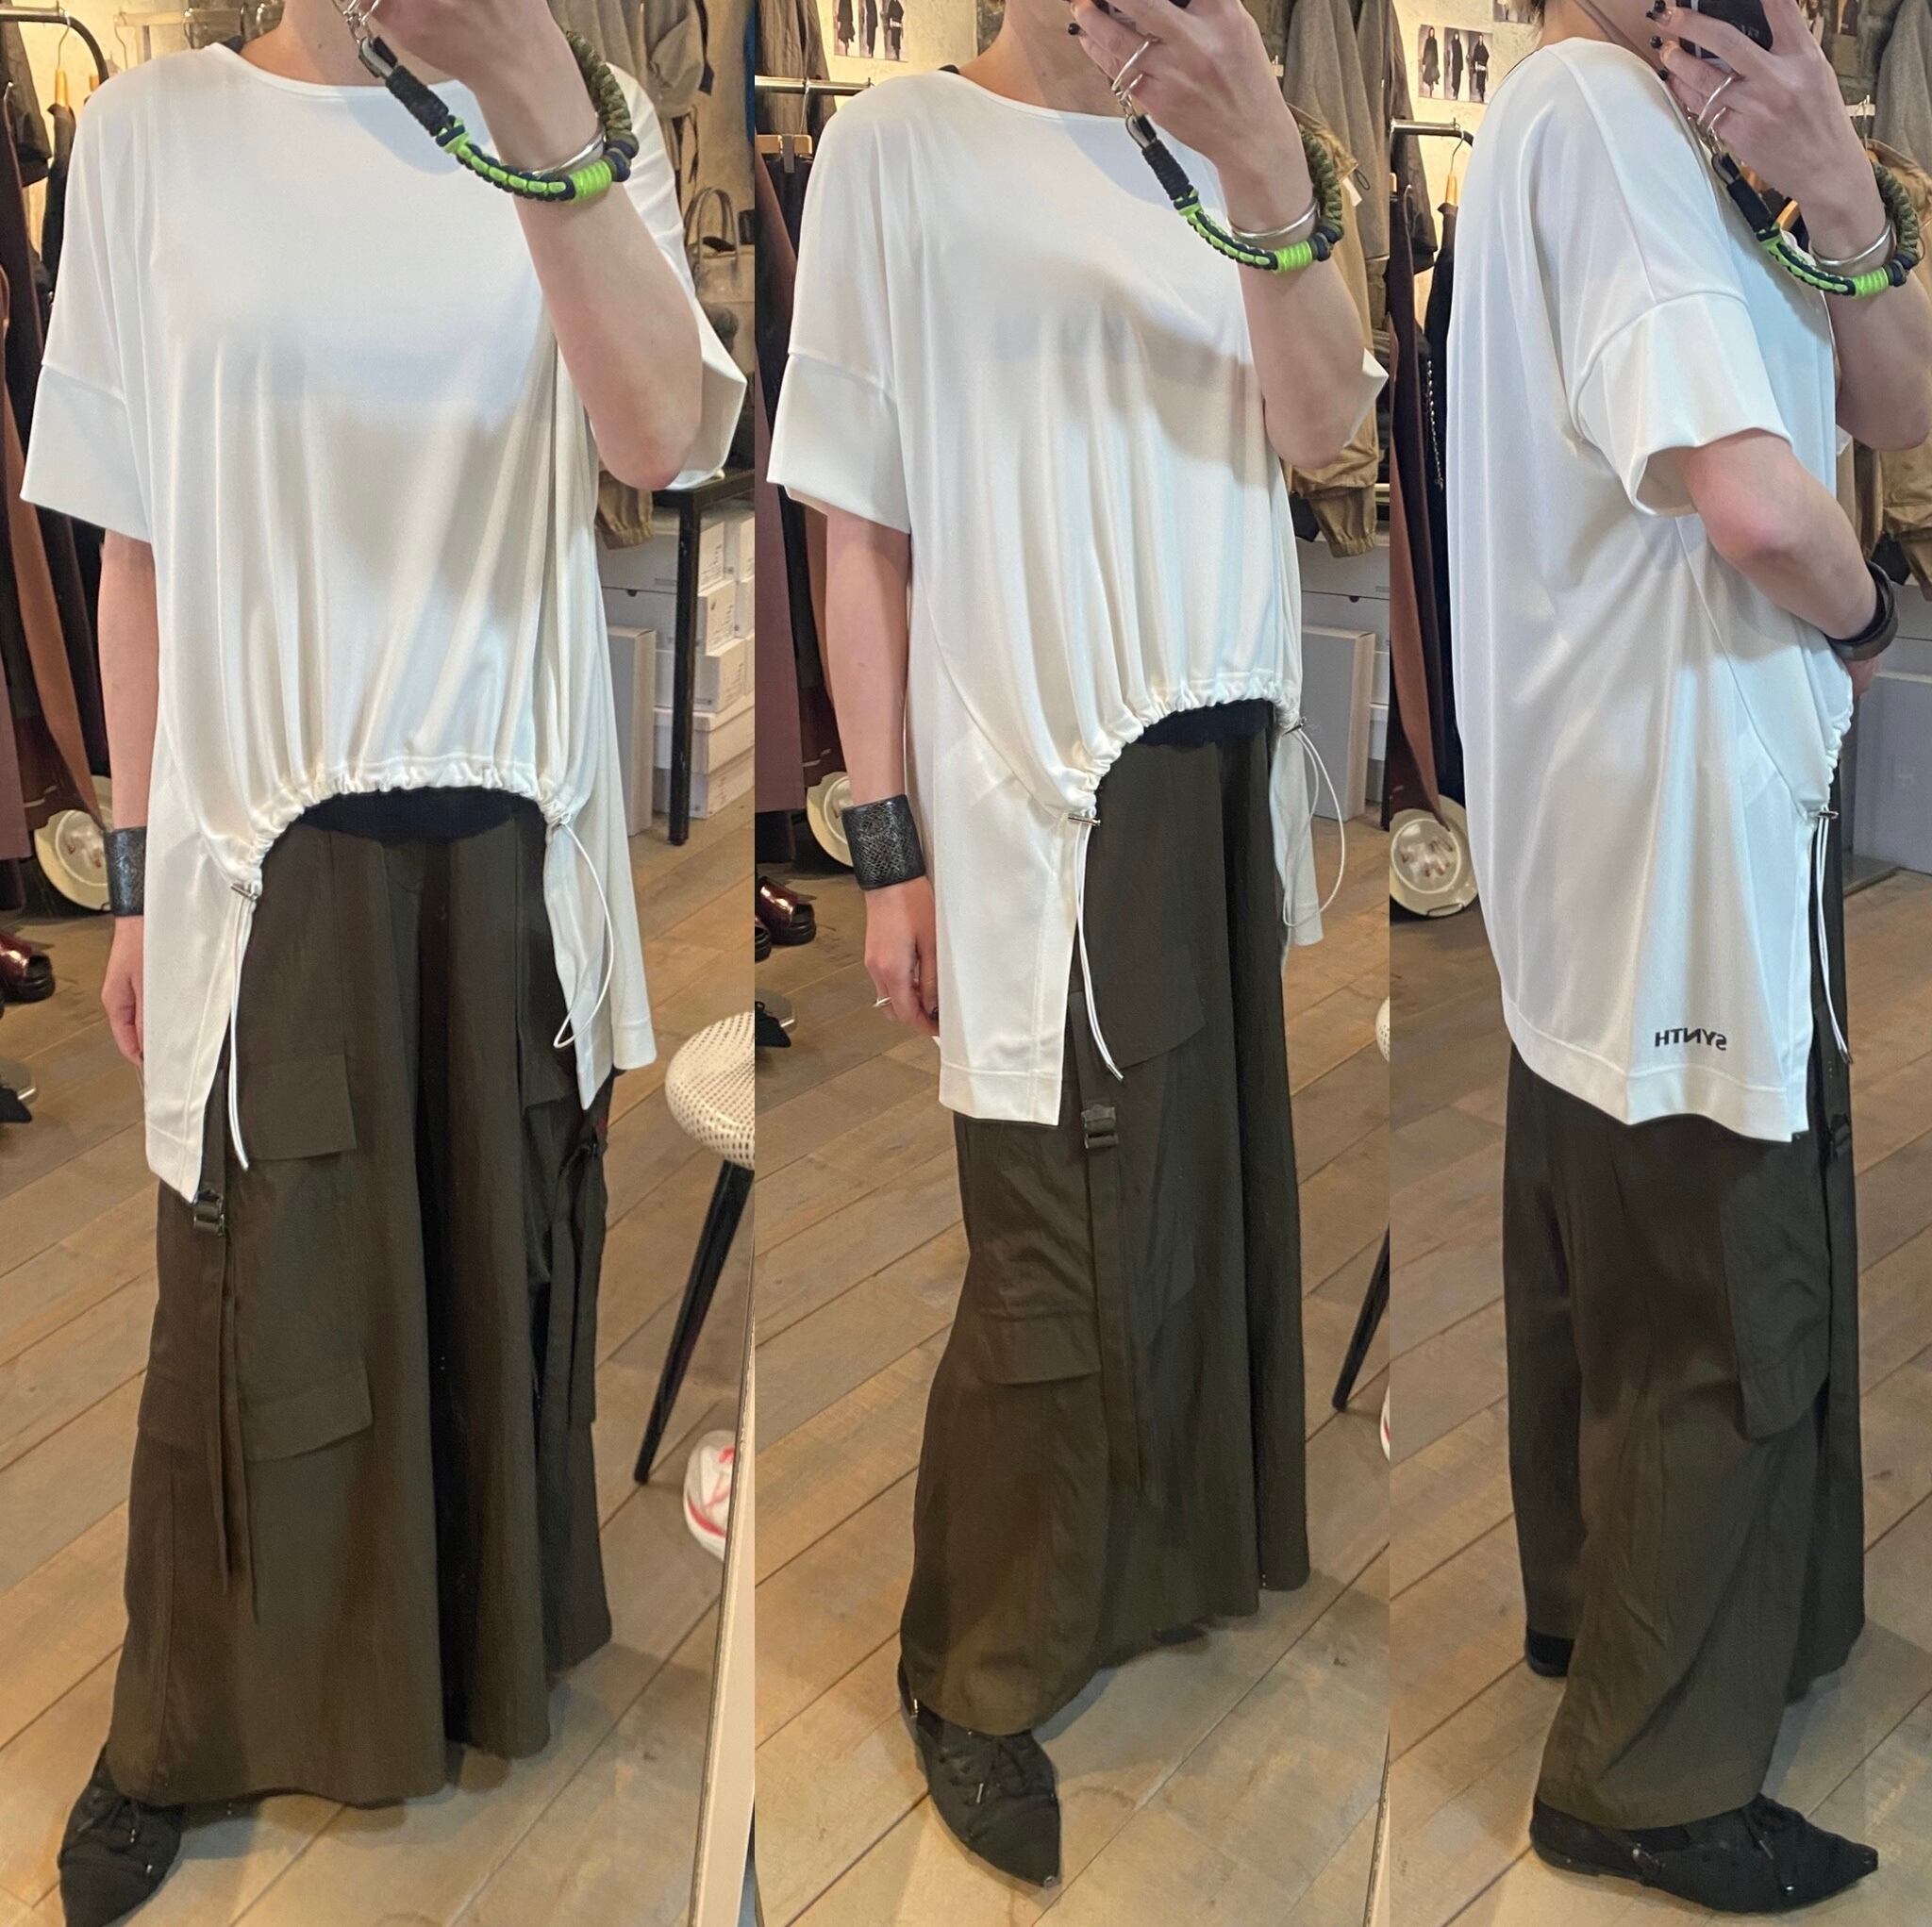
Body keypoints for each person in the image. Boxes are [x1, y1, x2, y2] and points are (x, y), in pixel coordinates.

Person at [21, 0, 743, 1920]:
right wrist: (138, 880)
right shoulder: (152, 134)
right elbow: (132, 550)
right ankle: (181, 1722)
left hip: (507, 822)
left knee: (497, 1245)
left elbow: (660, 439)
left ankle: (464, 1660)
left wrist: (534, 101)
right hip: (261, 842)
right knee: (242, 1278)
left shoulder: (579, 116)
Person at [769, 0, 1380, 1889]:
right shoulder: (896, 149)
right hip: (1032, 774)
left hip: (1217, 753)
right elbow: (856, 529)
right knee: (1045, 1230)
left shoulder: (1241, 140)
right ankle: (973, 1657)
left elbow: (1326, 434)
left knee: (1193, 1186)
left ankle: (1153, 1560)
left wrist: (1264, 161)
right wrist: (886, 850)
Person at [1448, 0, 1932, 1909]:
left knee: (1627, 1244)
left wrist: (1836, 190)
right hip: (1675, 804)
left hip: (1636, 796)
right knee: (1723, 1273)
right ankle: (1642, 1777)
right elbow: (1751, 497)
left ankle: (1612, 1616)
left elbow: (1896, 402)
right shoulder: (1599, 113)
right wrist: (1866, 611)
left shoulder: (1680, 127)